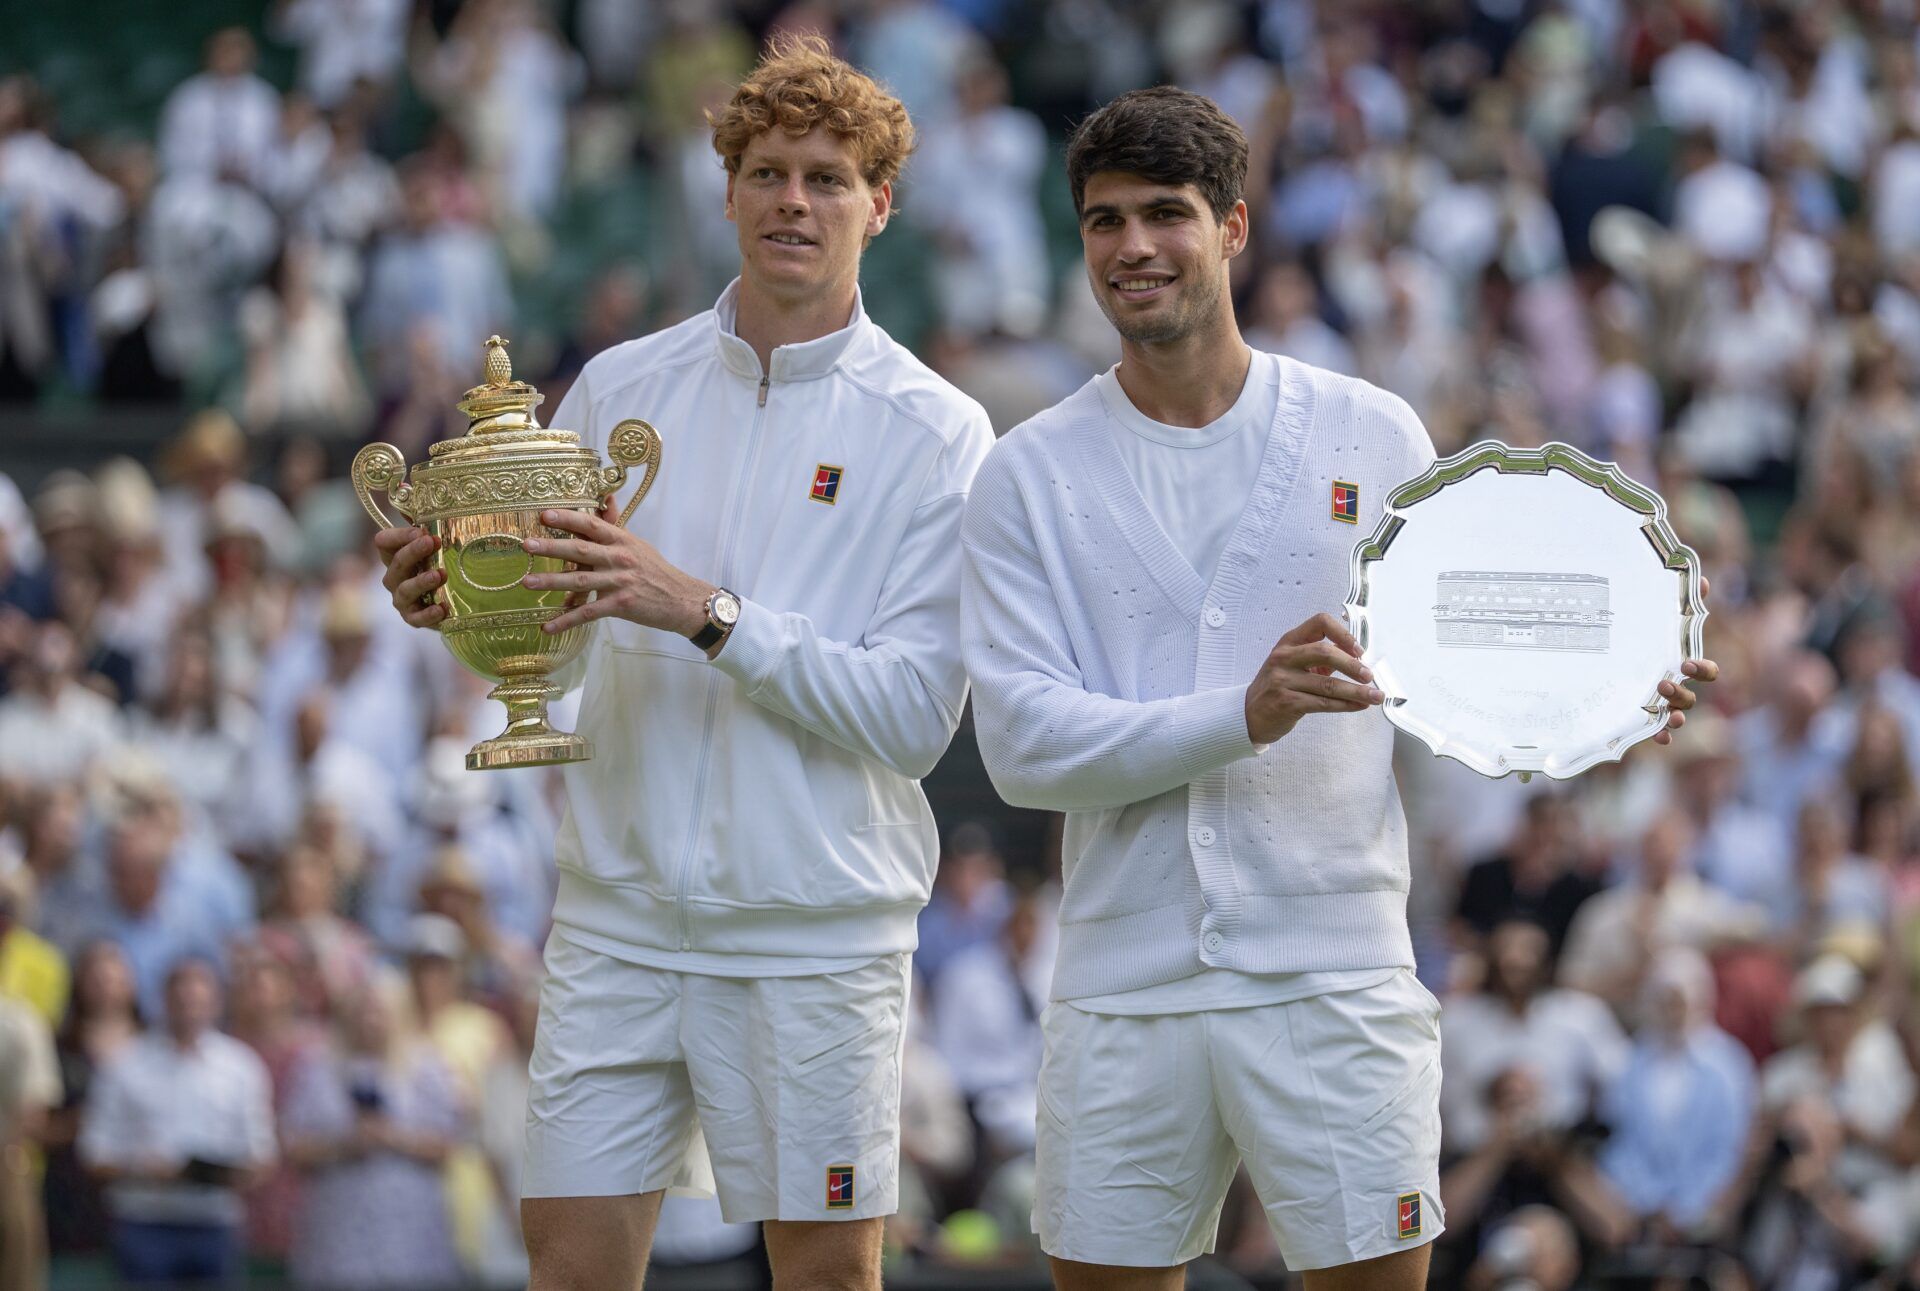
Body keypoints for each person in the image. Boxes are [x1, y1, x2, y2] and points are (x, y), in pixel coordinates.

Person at [958, 86, 1718, 1290]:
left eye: (1167, 214)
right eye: (1105, 221)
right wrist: (1242, 715)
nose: (1134, 248)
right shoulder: (1023, 474)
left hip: (1337, 966)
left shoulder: (1372, 432)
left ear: (1236, 228)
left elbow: (1459, 671)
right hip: (1121, 981)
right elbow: (1022, 750)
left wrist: (1609, 699)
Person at [373, 35, 993, 1291]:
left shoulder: (941, 432)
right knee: (570, 1269)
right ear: (726, 192)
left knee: (826, 1275)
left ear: (880, 203)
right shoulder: (617, 381)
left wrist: (706, 611)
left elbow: (917, 718)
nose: (792, 202)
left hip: (818, 935)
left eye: (827, 178)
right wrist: (456, 602)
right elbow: (560, 625)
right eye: (766, 172)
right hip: (616, 918)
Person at [77, 958, 277, 1285]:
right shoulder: (126, 1063)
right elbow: (94, 1151)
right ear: (164, 1000)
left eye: (198, 1000)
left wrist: (228, 1173)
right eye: (181, 999)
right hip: (144, 1221)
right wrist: (143, 1169)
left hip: (213, 1222)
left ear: (216, 1002)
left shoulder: (240, 1067)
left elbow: (262, 1153)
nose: (189, 1008)